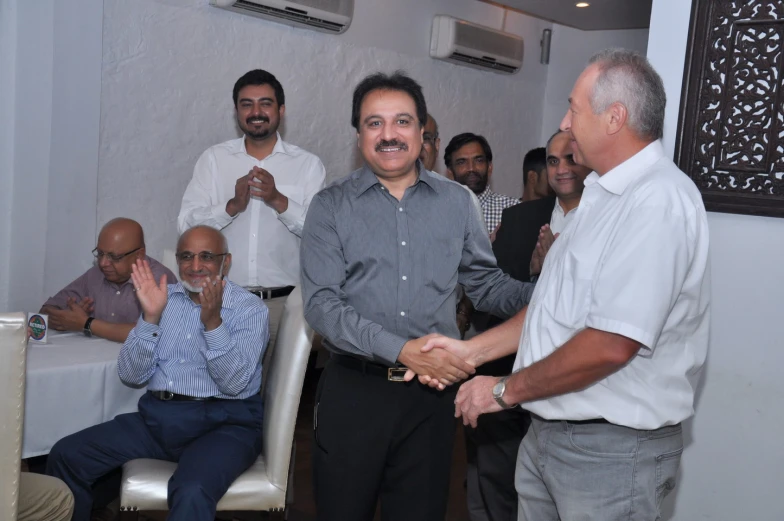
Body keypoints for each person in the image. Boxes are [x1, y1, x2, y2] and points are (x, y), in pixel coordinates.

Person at [420, 48, 711, 521]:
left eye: (574, 108)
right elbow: (552, 308)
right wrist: (470, 354)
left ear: (614, 117)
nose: (565, 120)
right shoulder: (599, 195)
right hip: (552, 432)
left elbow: (611, 343)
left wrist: (502, 391)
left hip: (609, 452)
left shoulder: (657, 200)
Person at [300, 71, 533, 521]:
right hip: (355, 392)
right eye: (374, 123)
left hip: (431, 399)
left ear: (422, 130)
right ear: (358, 133)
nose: (388, 134)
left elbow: (487, 286)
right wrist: (403, 351)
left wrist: (553, 295)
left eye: (401, 121)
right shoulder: (330, 205)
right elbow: (323, 307)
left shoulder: (456, 201)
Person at [46, 225, 269, 521]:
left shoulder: (249, 309)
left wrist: (213, 323)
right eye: (186, 256)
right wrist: (150, 318)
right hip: (160, 418)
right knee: (67, 455)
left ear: (225, 262)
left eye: (207, 257)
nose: (195, 266)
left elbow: (234, 384)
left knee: (192, 489)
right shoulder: (162, 300)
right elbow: (132, 375)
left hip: (225, 424)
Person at [466, 129, 590, 521]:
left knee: (555, 492)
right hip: (508, 365)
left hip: (571, 379)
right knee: (497, 477)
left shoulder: (605, 221)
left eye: (570, 158)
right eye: (553, 161)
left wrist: (553, 273)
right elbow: (491, 295)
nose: (561, 169)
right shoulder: (520, 218)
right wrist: (536, 277)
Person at [178, 69, 325, 350]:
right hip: (220, 301)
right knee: (217, 389)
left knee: (279, 393)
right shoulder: (214, 160)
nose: (256, 111)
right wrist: (231, 207)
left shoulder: (308, 165)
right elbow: (186, 226)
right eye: (247, 104)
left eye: (265, 103)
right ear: (236, 111)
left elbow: (322, 236)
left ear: (281, 110)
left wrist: (279, 200)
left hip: (284, 307)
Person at [40, 218, 175, 343]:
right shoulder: (97, 274)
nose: (104, 263)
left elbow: (150, 333)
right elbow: (46, 311)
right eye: (100, 254)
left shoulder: (160, 280)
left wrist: (86, 323)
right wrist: (67, 319)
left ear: (139, 254)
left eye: (114, 257)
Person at [444, 133, 519, 233]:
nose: (471, 168)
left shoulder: (514, 209)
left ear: (490, 168)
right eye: (462, 162)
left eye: (479, 160)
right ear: (450, 173)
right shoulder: (438, 212)